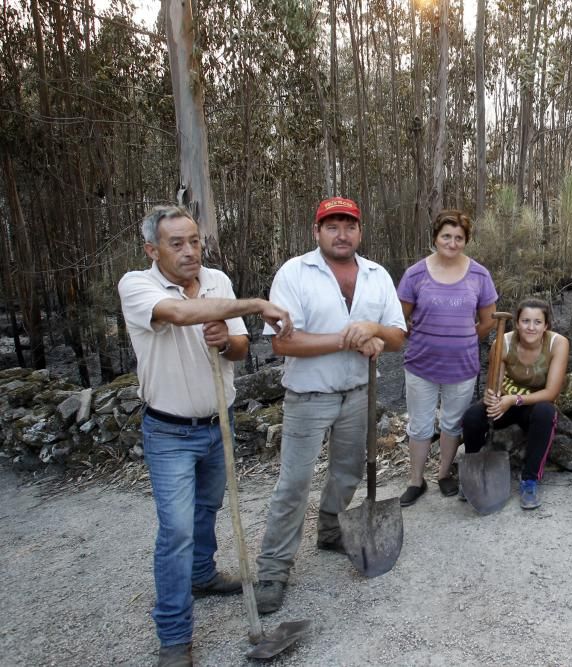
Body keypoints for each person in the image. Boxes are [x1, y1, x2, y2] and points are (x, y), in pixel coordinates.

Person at [118, 205, 292, 667]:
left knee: (208, 509)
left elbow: (239, 348)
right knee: (174, 531)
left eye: (194, 240)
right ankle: (175, 637)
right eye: (177, 243)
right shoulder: (138, 286)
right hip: (169, 430)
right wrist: (255, 305)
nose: (190, 251)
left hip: (219, 423)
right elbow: (177, 313)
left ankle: (201, 574)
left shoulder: (217, 282)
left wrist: (225, 339)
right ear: (152, 249)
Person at [253, 197, 406, 612]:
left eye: (349, 225)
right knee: (294, 484)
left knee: (347, 472)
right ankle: (272, 569)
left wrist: (373, 328)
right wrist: (347, 338)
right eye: (332, 225)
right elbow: (283, 341)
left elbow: (396, 335)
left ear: (360, 231)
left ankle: (331, 530)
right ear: (317, 231)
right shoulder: (295, 274)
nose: (342, 233)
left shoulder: (376, 276)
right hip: (309, 396)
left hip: (359, 392)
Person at [396, 210, 498, 506]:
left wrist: (465, 339)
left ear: (466, 241)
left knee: (453, 423)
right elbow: (400, 318)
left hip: (462, 365)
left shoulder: (479, 274)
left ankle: (443, 474)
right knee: (420, 425)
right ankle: (416, 480)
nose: (452, 243)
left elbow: (488, 320)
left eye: (459, 238)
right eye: (446, 236)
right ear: (435, 238)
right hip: (421, 363)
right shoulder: (415, 274)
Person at [461, 299, 569, 509]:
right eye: (525, 321)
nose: (531, 327)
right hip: (506, 401)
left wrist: (515, 400)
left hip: (535, 403)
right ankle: (472, 472)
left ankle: (530, 480)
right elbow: (495, 385)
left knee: (546, 413)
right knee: (473, 417)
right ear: (517, 323)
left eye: (537, 322)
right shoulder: (503, 343)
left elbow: (551, 392)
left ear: (546, 325)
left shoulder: (558, 343)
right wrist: (492, 397)